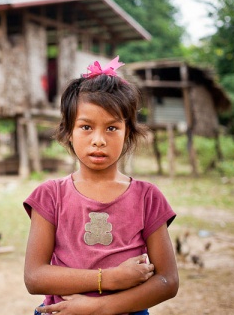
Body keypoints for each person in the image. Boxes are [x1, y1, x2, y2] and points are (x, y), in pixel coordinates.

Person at [23, 56, 179, 315]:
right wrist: (107, 279)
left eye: (111, 128)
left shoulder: (147, 197)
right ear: (68, 132)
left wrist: (100, 307)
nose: (98, 140)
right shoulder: (50, 196)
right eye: (86, 127)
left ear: (127, 132)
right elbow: (34, 277)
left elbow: (168, 281)